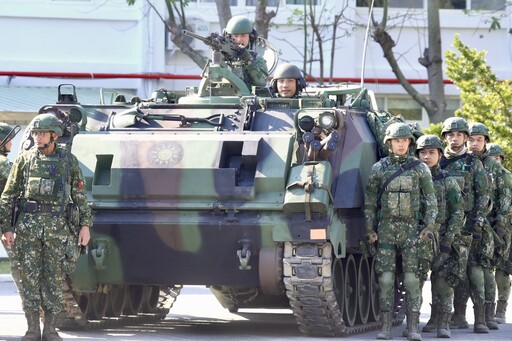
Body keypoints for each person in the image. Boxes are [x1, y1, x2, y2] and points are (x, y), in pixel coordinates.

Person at [0, 113, 93, 341]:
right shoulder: (24, 160)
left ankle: (50, 330)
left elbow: (80, 196)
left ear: (54, 135)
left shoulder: (68, 161)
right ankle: (32, 329)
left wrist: (85, 226)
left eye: (42, 133)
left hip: (57, 231)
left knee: (53, 280)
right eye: (35, 133)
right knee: (29, 280)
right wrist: (7, 228)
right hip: (29, 229)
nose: (38, 137)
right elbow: (8, 195)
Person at [364, 122, 437, 341]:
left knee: (413, 279)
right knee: (385, 279)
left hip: (412, 230)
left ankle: (413, 327)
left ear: (410, 143)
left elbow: (431, 200)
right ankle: (385, 327)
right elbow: (369, 201)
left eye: (404, 140)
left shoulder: (419, 168)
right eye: (397, 140)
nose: (401, 144)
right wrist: (369, 227)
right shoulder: (379, 168)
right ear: (389, 143)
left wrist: (430, 226)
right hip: (386, 229)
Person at [439, 117, 490, 333]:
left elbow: (483, 195)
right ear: (445, 137)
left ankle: (480, 318)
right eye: (450, 135)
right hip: (444, 223)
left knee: (473, 271)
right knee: (445, 271)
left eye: (459, 135)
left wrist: (478, 221)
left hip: (469, 224)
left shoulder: (473, 163)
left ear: (465, 138)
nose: (454, 138)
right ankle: (448, 316)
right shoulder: (437, 160)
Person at [415, 134, 465, 338]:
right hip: (418, 238)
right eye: (423, 153)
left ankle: (442, 321)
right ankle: (415, 321)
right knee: (414, 280)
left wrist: (448, 239)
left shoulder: (448, 181)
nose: (427, 156)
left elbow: (458, 212)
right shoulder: (412, 179)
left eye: (432, 153)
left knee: (442, 281)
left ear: (440, 155)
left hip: (443, 237)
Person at [467, 122, 511, 330]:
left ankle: (494, 311)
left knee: (492, 268)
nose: (474, 144)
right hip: (467, 223)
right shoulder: (461, 162)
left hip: (493, 225)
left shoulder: (497, 169)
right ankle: (458, 313)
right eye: (472, 139)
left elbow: (505, 198)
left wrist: (501, 224)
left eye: (479, 140)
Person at [487, 142, 512, 324]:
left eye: (497, 158)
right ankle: (486, 308)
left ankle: (501, 308)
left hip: (504, 227)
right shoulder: (482, 176)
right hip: (486, 225)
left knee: (502, 269)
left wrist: (502, 225)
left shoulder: (506, 177)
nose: (495, 161)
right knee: (485, 267)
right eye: (491, 158)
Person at [0, 122, 22, 290]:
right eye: (9, 140)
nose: (11, 144)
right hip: (5, 219)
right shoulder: (3, 163)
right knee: (18, 263)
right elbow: (21, 183)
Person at [223, 15, 269, 89]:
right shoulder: (223, 57)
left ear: (250, 37)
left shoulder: (256, 58)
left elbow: (261, 82)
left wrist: (248, 60)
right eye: (235, 36)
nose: (239, 40)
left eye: (243, 36)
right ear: (229, 37)